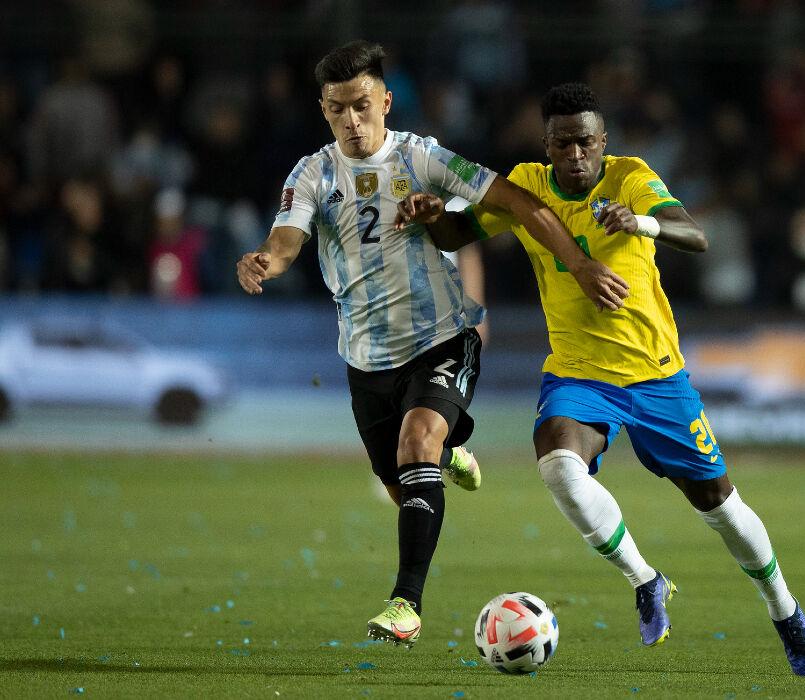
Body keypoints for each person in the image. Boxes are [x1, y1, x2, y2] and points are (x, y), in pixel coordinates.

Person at [407, 82, 805, 676]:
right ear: (546, 144)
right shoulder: (524, 186)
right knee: (556, 463)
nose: (574, 155)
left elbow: (694, 235)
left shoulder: (629, 177)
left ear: (603, 141)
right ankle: (646, 580)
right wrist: (431, 216)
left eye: (585, 142)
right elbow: (455, 234)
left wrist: (642, 225)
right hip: (579, 376)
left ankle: (785, 611)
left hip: (657, 377)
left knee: (720, 504)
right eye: (561, 144)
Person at [236, 45, 629, 650]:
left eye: (362, 105)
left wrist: (577, 264)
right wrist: (269, 259)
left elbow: (519, 204)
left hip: (442, 335)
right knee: (406, 485)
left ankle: (405, 605)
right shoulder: (311, 174)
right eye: (338, 109)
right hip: (365, 354)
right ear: (324, 111)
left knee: (417, 441)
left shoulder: (422, 157)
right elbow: (287, 237)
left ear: (385, 102)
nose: (352, 120)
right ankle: (448, 453)